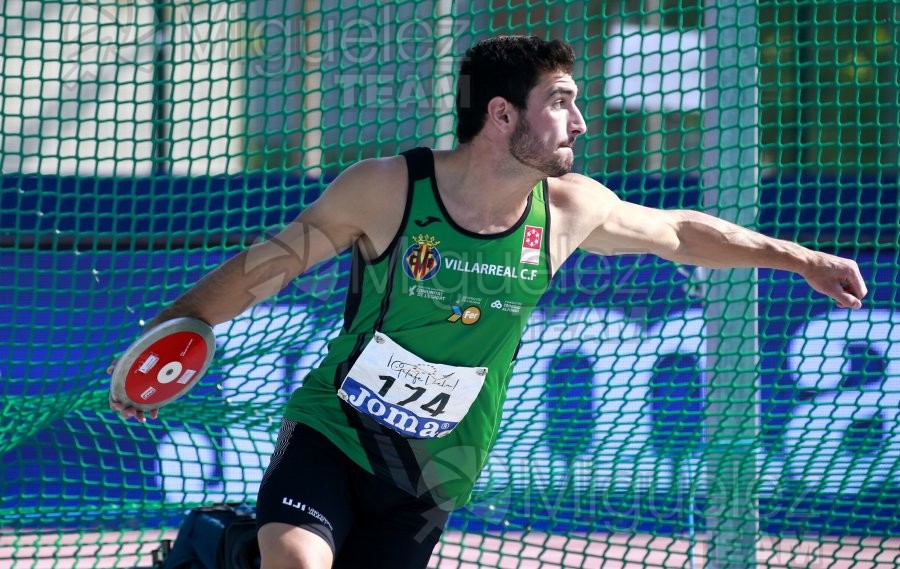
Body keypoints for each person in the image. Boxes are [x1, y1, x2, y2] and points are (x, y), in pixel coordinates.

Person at [109, 36, 867, 569]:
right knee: (299, 561)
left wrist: (803, 259)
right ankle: (234, 543)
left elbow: (678, 232)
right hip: (334, 430)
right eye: (561, 102)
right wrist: (173, 334)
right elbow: (269, 267)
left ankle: (223, 546)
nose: (580, 122)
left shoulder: (569, 209)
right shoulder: (388, 188)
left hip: (438, 464)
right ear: (502, 115)